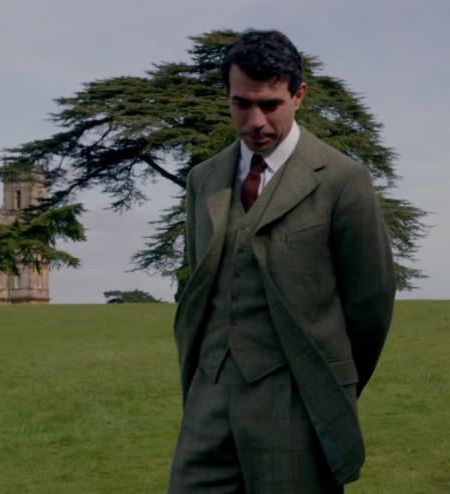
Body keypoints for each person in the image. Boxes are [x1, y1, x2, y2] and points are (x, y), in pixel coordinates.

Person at [168, 29, 396, 493]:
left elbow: (370, 304)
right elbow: (200, 285)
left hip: (296, 403)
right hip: (207, 399)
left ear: (299, 95)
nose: (255, 120)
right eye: (241, 104)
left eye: (270, 104)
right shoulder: (203, 179)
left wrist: (326, 384)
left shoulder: (343, 180)